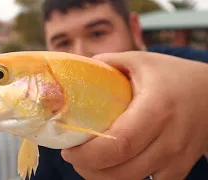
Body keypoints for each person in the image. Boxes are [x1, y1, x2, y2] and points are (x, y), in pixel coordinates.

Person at [28, 0, 208, 179]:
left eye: (97, 33)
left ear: (134, 29)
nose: (80, 54)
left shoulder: (191, 64)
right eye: (63, 43)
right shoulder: (50, 120)